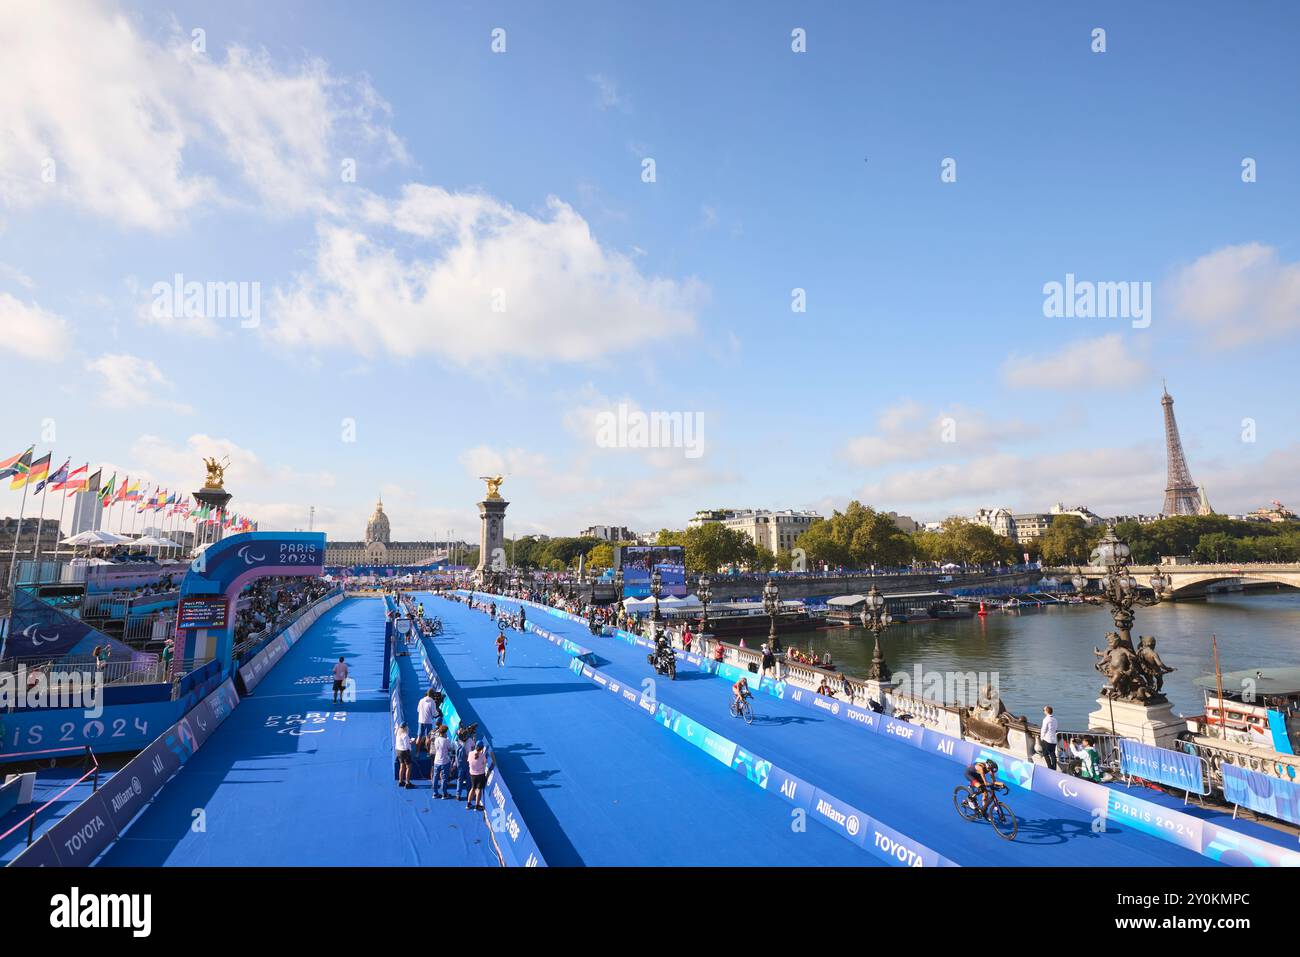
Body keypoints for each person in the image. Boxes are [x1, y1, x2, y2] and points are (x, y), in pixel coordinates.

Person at [431, 726, 453, 798]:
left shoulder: (436, 740)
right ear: (445, 732)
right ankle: (444, 794)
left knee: (435, 777)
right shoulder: (446, 741)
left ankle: (435, 793)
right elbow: (450, 749)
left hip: (436, 761)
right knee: (444, 778)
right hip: (444, 762)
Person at [466, 741, 488, 811]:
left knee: (473, 788)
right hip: (480, 775)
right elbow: (485, 762)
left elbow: (469, 761)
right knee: (478, 790)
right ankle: (477, 805)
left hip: (472, 774)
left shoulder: (470, 754)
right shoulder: (482, 755)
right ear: (481, 748)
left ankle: (468, 804)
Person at [1039, 705, 1059, 770]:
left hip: (1047, 739)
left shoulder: (1046, 719)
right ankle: (1054, 768)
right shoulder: (1055, 719)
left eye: (1044, 710)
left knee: (1045, 754)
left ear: (1046, 711)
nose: (1043, 711)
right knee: (1052, 754)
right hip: (1054, 739)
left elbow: (1044, 729)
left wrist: (1042, 737)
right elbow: (1055, 728)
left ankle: (1050, 768)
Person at [395, 722, 414, 789]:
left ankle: (400, 781)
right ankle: (407, 783)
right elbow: (407, 746)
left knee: (401, 766)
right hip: (405, 752)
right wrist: (411, 742)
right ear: (405, 727)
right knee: (408, 767)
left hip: (398, 751)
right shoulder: (405, 735)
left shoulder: (398, 733)